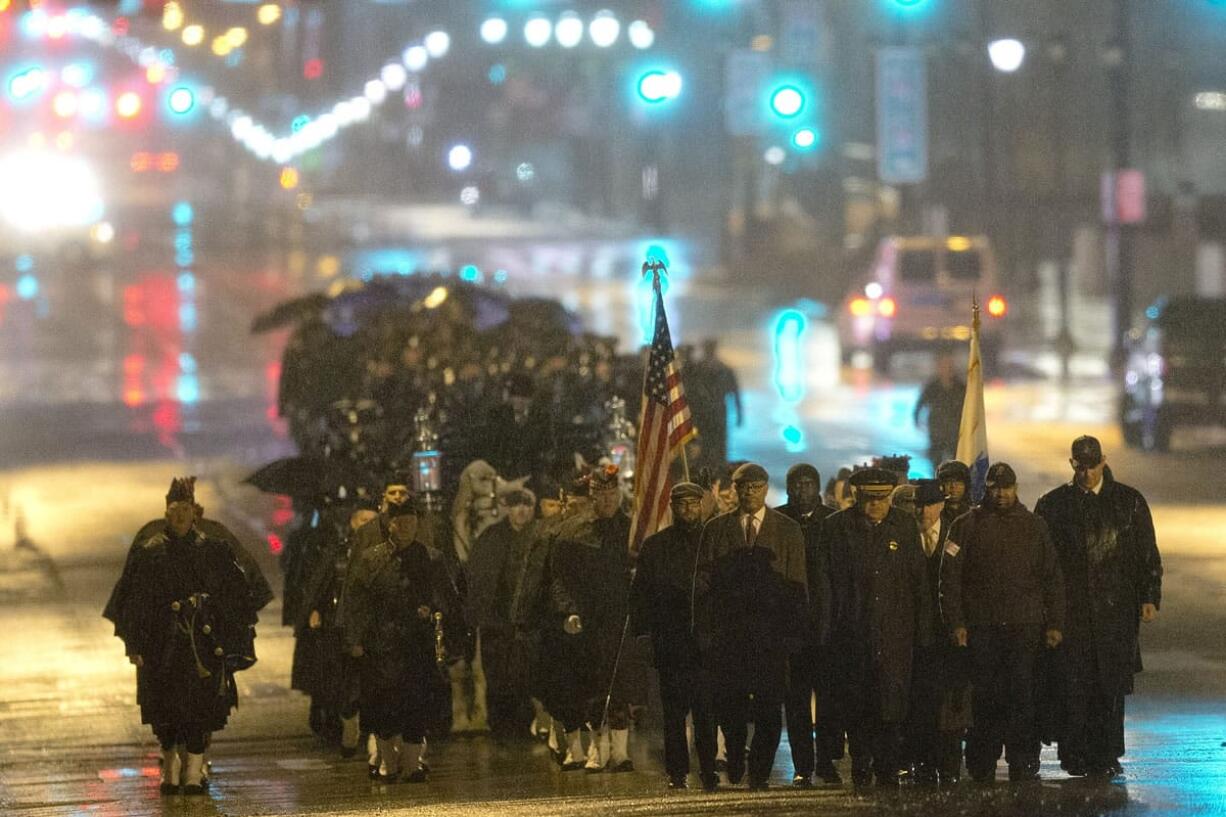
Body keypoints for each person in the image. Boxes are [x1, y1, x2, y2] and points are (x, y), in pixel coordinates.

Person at [110, 478, 256, 796]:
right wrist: (134, 645)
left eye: (185, 510)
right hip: (161, 647)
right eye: (174, 510)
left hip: (203, 648)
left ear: (194, 514)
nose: (179, 516)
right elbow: (133, 601)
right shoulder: (150, 554)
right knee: (165, 709)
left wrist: (229, 636)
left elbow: (234, 598)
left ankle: (193, 771)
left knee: (200, 707)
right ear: (166, 512)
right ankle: (170, 764)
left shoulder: (214, 551)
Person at [1033, 436, 1162, 779]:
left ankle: (1106, 752)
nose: (1087, 472)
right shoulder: (1054, 505)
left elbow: (1146, 553)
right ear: (1073, 464)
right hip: (1072, 613)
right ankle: (1075, 753)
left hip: (1115, 611)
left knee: (1109, 686)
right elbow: (1042, 563)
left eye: (1093, 464)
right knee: (1074, 685)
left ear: (1103, 461)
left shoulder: (1129, 503)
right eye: (1082, 465)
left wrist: (1149, 596)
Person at [941, 462, 1065, 783]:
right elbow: (950, 579)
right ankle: (982, 762)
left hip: (1024, 629)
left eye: (1006, 488)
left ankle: (1022, 760)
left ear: (1015, 488)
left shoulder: (1035, 526)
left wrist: (1055, 624)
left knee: (1022, 698)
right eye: (995, 488)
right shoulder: (965, 525)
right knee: (985, 699)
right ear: (986, 488)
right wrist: (957, 623)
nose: (1000, 494)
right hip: (982, 630)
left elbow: (1052, 577)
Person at [693, 462, 808, 789]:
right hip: (729, 638)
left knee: (771, 710)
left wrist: (795, 633)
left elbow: (798, 583)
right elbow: (702, 586)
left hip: (771, 638)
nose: (748, 493)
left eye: (755, 487)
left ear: (765, 489)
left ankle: (759, 771)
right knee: (731, 708)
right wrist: (704, 630)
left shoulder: (787, 530)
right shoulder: (715, 530)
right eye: (742, 487)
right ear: (734, 489)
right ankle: (736, 752)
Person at [820, 467, 931, 787]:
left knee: (891, 702)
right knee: (857, 702)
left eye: (881, 499)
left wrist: (921, 631)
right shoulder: (836, 528)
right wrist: (827, 630)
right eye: (869, 500)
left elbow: (917, 581)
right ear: (857, 497)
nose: (875, 506)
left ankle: (887, 763)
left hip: (895, 632)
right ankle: (860, 761)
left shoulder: (904, 525)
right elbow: (826, 583)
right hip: (852, 631)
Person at [343, 496, 460, 783]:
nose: (406, 528)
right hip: (380, 647)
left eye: (411, 522)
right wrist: (355, 640)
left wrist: (436, 615)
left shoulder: (432, 558)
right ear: (389, 524)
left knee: (417, 703)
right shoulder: (371, 560)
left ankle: (412, 764)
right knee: (383, 706)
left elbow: (449, 600)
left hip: (418, 647)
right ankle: (386, 761)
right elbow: (356, 603)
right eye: (400, 522)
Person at [539, 465, 638, 773]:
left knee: (620, 685)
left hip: (622, 618)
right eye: (601, 495)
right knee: (593, 686)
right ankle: (597, 748)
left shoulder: (633, 529)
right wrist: (568, 612)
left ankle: (620, 752)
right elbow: (559, 579)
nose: (608, 501)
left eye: (612, 494)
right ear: (592, 496)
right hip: (587, 620)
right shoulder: (573, 532)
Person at [630, 482, 718, 791]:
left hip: (705, 643)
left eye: (694, 504)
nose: (689, 510)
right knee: (673, 714)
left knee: (706, 713)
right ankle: (677, 771)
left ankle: (709, 770)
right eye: (682, 505)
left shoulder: (712, 541)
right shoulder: (656, 546)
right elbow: (640, 594)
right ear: (672, 507)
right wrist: (644, 634)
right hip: (671, 642)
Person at [775, 464, 839, 787]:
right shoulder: (778, 521)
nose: (802, 490)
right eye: (796, 484)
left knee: (828, 700)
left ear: (817, 487)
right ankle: (803, 765)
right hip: (791, 629)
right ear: (788, 488)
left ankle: (826, 762)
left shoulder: (833, 521)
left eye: (808, 484)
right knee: (797, 701)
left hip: (825, 627)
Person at [905, 479, 971, 784]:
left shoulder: (955, 534)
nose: (922, 511)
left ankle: (948, 764)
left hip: (948, 635)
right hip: (915, 636)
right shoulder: (904, 538)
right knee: (919, 703)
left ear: (941, 505)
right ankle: (923, 763)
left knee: (951, 704)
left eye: (928, 505)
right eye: (918, 505)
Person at [300, 502, 379, 757]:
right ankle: (349, 722)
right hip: (341, 624)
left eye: (372, 519)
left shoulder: (385, 550)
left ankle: (376, 735)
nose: (367, 524)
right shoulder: (340, 550)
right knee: (345, 678)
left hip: (374, 625)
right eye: (362, 519)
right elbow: (322, 583)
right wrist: (315, 609)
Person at [466, 486, 539, 738]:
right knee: (497, 674)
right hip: (496, 622)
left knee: (524, 674)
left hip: (526, 621)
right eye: (517, 505)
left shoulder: (538, 535)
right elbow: (480, 579)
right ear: (508, 508)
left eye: (527, 506)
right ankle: (501, 725)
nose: (521, 511)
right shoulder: (491, 538)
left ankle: (524, 724)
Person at [687, 339, 743, 471]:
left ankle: (712, 471)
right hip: (713, 412)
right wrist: (739, 414)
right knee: (714, 445)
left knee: (710, 445)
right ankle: (715, 471)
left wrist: (739, 413)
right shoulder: (721, 369)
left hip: (707, 413)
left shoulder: (699, 369)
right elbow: (735, 393)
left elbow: (735, 392)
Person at [914, 354, 966, 468]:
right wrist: (916, 419)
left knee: (955, 462)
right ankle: (937, 481)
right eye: (943, 365)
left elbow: (967, 406)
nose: (946, 368)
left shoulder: (960, 386)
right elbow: (920, 403)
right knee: (936, 461)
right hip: (937, 430)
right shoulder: (932, 386)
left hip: (954, 431)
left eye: (948, 365)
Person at [937, 460, 973, 525]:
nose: (953, 486)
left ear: (966, 485)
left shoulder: (975, 516)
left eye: (958, 481)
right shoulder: (934, 514)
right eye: (948, 482)